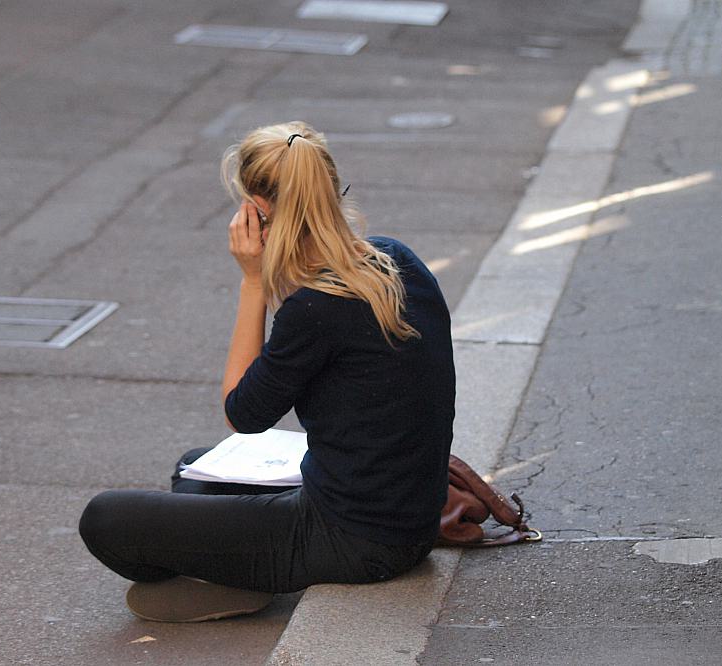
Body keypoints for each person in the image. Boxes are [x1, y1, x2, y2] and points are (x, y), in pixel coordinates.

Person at [78, 121, 455, 622]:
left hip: (355, 541)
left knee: (105, 519)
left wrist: (253, 283)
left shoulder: (318, 306)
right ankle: (233, 569)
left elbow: (243, 413)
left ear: (258, 212)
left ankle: (233, 575)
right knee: (194, 470)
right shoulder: (395, 258)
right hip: (409, 522)